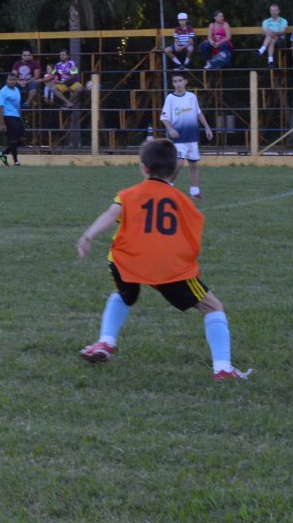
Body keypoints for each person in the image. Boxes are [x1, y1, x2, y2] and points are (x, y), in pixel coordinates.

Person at [75, 138, 245, 378]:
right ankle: (223, 368)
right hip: (167, 266)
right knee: (213, 306)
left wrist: (88, 236)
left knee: (125, 294)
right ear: (175, 168)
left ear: (144, 167)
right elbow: (191, 229)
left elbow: (112, 213)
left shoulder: (128, 195)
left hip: (127, 261)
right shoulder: (183, 200)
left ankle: (106, 341)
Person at [160, 72, 214, 198]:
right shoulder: (170, 98)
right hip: (178, 138)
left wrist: (207, 127)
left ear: (185, 82)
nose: (178, 84)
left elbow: (198, 113)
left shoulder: (191, 96)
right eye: (175, 81)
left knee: (193, 165)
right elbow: (164, 117)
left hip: (192, 137)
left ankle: (195, 191)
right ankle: (168, 185)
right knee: (178, 164)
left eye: (180, 80)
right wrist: (170, 129)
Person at [0, 76, 24, 166]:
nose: (12, 81)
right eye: (10, 80)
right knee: (13, 140)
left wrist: (21, 118)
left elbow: (18, 105)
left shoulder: (17, 90)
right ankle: (16, 162)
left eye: (14, 80)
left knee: (22, 139)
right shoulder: (3, 92)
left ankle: (3, 153)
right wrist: (2, 123)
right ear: (7, 80)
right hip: (8, 116)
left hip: (17, 116)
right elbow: (0, 108)